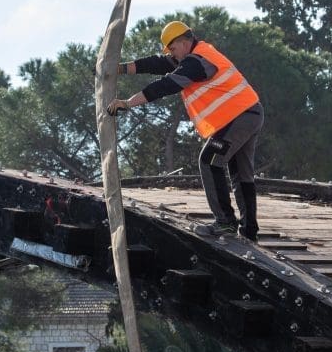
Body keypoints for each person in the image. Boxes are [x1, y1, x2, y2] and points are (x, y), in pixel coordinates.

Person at [107, 21, 264, 240]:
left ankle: (225, 223)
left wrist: (127, 103)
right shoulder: (193, 54)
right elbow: (158, 64)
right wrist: (121, 68)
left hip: (239, 116)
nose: (171, 54)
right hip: (248, 113)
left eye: (172, 48)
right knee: (240, 173)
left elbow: (166, 85)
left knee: (209, 160)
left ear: (184, 42)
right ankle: (249, 231)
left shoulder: (197, 62)